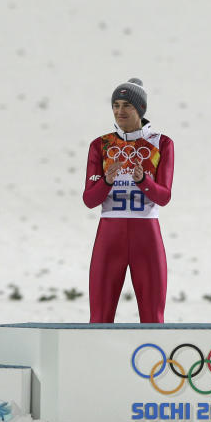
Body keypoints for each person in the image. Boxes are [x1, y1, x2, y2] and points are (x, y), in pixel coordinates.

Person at [82, 78, 174, 323]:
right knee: (99, 318)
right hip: (109, 235)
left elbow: (164, 197)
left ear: (140, 109)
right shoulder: (100, 145)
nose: (119, 111)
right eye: (116, 105)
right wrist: (107, 181)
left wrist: (144, 180)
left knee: (153, 319)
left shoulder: (161, 143)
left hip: (146, 234)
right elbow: (90, 199)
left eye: (127, 106)